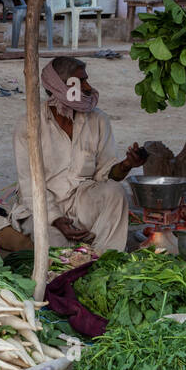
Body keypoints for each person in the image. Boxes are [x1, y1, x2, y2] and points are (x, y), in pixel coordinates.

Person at [10, 56, 146, 251]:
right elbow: (29, 184)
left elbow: (106, 174)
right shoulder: (29, 124)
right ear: (60, 86)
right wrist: (56, 219)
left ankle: (104, 259)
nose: (88, 87)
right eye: (80, 81)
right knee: (58, 245)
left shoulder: (98, 120)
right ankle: (81, 248)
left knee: (116, 193)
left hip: (83, 201)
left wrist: (126, 165)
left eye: (86, 80)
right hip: (42, 206)